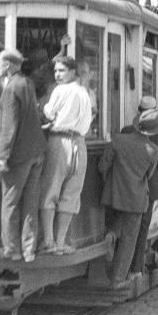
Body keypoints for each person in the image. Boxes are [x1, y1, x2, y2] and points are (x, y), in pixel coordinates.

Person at [99, 108, 158, 289]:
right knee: (129, 239)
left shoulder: (118, 140)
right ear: (153, 131)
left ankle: (111, 236)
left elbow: (103, 165)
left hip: (113, 196)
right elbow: (148, 175)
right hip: (136, 200)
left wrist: (109, 182)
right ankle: (117, 279)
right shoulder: (153, 150)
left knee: (115, 224)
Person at [37, 56, 93, 255]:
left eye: (61, 71)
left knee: (50, 190)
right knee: (71, 194)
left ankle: (48, 241)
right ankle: (61, 244)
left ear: (72, 72)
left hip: (59, 141)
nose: (57, 75)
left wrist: (43, 107)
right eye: (55, 71)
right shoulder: (85, 92)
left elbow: (49, 113)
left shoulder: (60, 90)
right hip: (80, 143)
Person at [0, 49, 47, 263]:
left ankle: (11, 248)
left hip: (19, 154)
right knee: (31, 202)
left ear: (7, 64)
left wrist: (2, 155)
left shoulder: (10, 89)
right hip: (37, 151)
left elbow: (9, 126)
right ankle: (29, 249)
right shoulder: (26, 83)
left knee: (10, 201)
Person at [120, 96, 158, 277]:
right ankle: (135, 269)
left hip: (126, 186)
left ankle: (121, 267)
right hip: (149, 188)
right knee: (142, 229)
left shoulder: (126, 131)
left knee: (124, 227)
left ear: (138, 110)